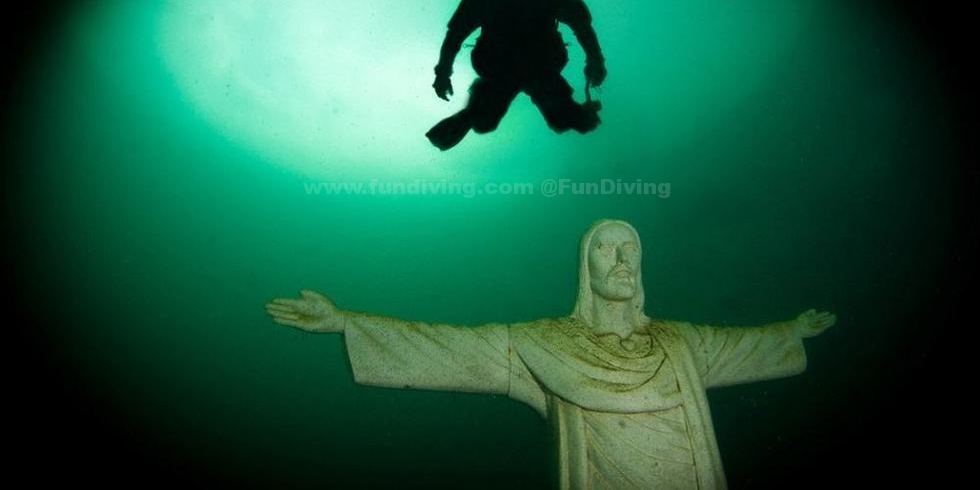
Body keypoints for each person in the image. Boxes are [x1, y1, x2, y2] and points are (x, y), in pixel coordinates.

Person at [266, 220, 835, 489]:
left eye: (631, 249)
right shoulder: (543, 344)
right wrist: (347, 321)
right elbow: (453, 346)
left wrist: (791, 330)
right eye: (607, 249)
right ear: (585, 267)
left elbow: (744, 345)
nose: (622, 260)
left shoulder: (682, 342)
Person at [425, 0, 608, 150]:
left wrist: (443, 73)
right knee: (487, 121)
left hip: (517, 69)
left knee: (562, 119)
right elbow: (582, 26)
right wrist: (595, 60)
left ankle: (470, 117)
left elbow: (454, 37)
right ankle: (471, 116)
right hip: (529, 69)